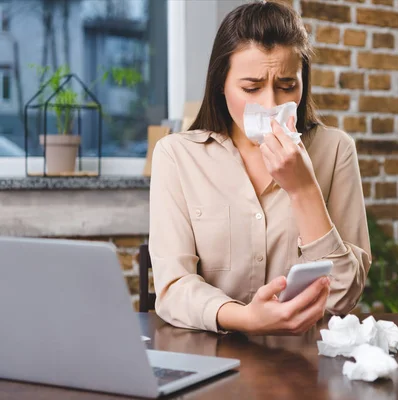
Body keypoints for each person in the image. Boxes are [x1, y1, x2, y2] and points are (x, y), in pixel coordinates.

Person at [149, 1, 371, 335]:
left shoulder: (335, 150)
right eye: (251, 88)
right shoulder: (176, 156)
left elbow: (342, 294)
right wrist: (246, 318)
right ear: (220, 84)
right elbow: (173, 288)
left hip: (305, 362)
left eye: (287, 86)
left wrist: (303, 189)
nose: (270, 105)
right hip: (213, 357)